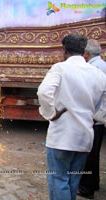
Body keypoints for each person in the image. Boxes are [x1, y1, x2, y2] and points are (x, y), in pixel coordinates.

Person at [37, 34, 106, 200]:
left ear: (64, 50)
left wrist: (51, 114)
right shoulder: (98, 74)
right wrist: (92, 114)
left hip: (62, 136)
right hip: (84, 137)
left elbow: (44, 92)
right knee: (73, 180)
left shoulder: (60, 68)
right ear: (84, 51)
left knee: (59, 179)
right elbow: (102, 102)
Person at [77, 39, 106, 199]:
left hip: (95, 117)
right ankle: (93, 182)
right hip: (99, 117)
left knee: (89, 154)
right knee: (93, 153)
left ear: (86, 54)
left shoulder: (93, 68)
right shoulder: (101, 65)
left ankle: (87, 188)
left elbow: (89, 95)